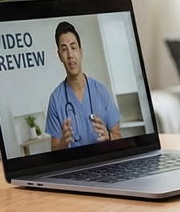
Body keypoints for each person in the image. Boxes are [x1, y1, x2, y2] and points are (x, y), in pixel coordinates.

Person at [44, 20, 122, 149]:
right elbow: (54, 150)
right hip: (76, 165)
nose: (70, 55)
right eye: (64, 49)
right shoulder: (55, 99)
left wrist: (109, 136)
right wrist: (64, 143)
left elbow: (118, 136)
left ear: (80, 51)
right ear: (59, 56)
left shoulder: (101, 91)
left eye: (73, 48)